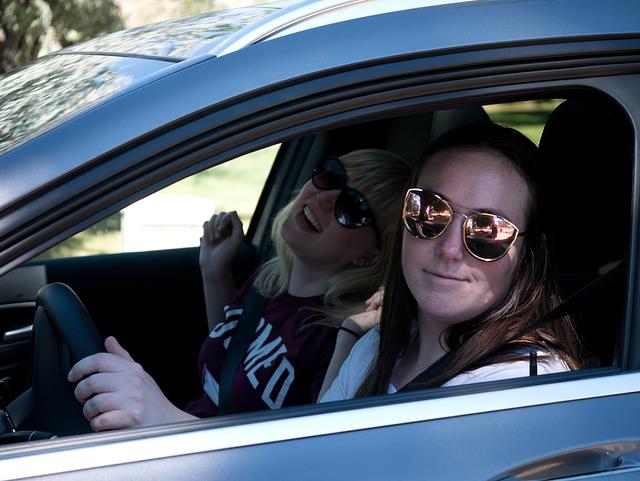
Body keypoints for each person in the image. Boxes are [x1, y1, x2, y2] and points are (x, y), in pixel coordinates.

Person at [67, 148, 411, 430]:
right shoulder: (269, 281)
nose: (322, 197)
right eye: (330, 176)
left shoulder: (343, 340)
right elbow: (232, 361)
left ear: (371, 255)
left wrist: (164, 418)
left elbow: (305, 456)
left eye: (351, 207)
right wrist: (214, 270)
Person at [320, 123, 583, 402]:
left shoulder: (522, 387)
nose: (449, 249)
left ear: (529, 255)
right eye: (429, 212)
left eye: (488, 230)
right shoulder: (375, 346)